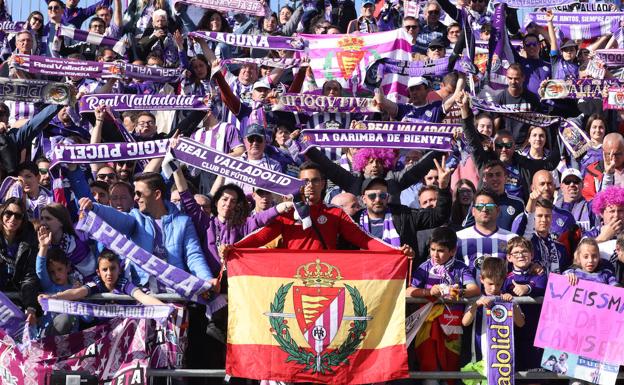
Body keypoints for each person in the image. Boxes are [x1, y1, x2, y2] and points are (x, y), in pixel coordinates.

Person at [232, 162, 412, 256]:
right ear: (298, 185)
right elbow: (260, 237)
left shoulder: (335, 213)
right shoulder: (287, 213)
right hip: (292, 277)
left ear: (323, 184)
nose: (310, 185)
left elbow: (364, 240)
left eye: (315, 180)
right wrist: (233, 248)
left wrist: (396, 252)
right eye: (304, 182)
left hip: (326, 279)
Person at [77, 172, 214, 288]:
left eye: (139, 193)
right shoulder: (135, 218)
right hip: (143, 293)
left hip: (176, 292)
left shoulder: (183, 222)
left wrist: (207, 280)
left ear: (157, 194)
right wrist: (95, 208)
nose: (135, 198)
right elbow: (117, 218)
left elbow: (194, 256)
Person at [407, 227, 480, 384]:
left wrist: (458, 292)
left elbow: (474, 289)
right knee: (429, 372)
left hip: (451, 327)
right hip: (426, 326)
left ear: (453, 251)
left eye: (440, 251)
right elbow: (408, 291)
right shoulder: (424, 267)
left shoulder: (460, 267)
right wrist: (428, 292)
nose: (435, 255)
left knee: (450, 370)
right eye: (432, 249)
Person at [353, 157, 451, 255]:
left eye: (383, 195)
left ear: (387, 198)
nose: (378, 199)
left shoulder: (404, 216)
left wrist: (443, 189)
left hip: (400, 269)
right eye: (372, 196)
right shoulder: (353, 222)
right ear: (364, 199)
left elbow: (438, 216)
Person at [461, 257, 525, 378]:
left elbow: (520, 323)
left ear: (503, 281)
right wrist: (476, 305)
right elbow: (465, 322)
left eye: (498, 284)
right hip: (479, 355)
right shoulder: (476, 299)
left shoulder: (507, 299)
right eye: (490, 284)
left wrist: (513, 304)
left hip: (502, 357)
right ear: (481, 279)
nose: (494, 288)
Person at [39, 250, 164, 305]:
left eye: (113, 268)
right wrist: (53, 297)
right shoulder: (97, 283)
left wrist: (165, 308)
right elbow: (76, 292)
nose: (109, 273)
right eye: (105, 270)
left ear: (119, 270)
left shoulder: (124, 283)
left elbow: (142, 297)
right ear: (98, 272)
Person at [502, 236, 546, 371]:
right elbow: (500, 294)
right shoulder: (506, 279)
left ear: (532, 254)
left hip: (537, 332)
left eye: (524, 251)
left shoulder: (540, 273)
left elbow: (542, 285)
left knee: (535, 373)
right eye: (516, 253)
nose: (520, 255)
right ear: (509, 257)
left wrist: (526, 288)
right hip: (515, 333)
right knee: (517, 373)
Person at [456, 189, 517, 278]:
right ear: (473, 211)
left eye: (489, 206)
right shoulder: (458, 238)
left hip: (501, 292)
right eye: (480, 206)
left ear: (497, 210)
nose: (484, 209)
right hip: (467, 291)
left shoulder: (511, 239)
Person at [0, 198, 38, 326]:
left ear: (23, 220)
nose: (12, 219)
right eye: (8, 213)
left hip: (16, 301)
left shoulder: (29, 240)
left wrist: (30, 307)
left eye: (18, 216)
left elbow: (29, 277)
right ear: (2, 214)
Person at [35, 225, 78, 336]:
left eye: (60, 269)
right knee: (64, 318)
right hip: (49, 335)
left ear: (68, 267)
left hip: (72, 339)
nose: (56, 274)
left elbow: (88, 318)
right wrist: (43, 248)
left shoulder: (77, 289)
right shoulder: (49, 286)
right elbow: (40, 271)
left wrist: (80, 296)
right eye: (52, 272)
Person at [584, 133, 624, 201]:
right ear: (603, 152)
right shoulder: (593, 171)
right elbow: (590, 200)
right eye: (609, 154)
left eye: (618, 154)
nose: (613, 158)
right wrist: (608, 173)